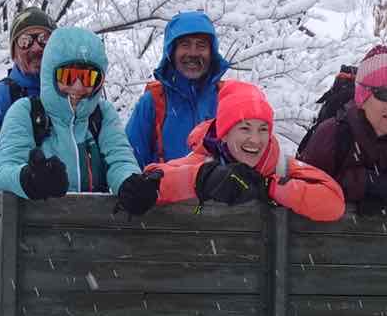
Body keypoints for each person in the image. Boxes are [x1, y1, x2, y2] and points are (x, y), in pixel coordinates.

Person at [115, 81, 343, 221]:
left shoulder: (279, 165)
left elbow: (332, 201)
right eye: (244, 128)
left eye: (263, 129)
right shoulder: (204, 158)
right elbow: (160, 175)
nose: (255, 140)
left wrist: (269, 187)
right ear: (224, 132)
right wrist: (201, 179)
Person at [0, 26, 140, 200]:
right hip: (36, 223)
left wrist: (129, 185)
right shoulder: (26, 112)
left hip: (96, 223)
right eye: (67, 76)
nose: (77, 86)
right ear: (50, 73)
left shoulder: (102, 114)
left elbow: (120, 160)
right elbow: (1, 171)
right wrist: (29, 179)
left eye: (88, 78)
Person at [296, 44, 387, 214]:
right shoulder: (334, 134)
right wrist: (363, 185)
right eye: (384, 94)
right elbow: (302, 189)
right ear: (362, 96)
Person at [127, 10, 232, 167]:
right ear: (172, 51)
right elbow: (130, 161)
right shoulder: (153, 102)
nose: (193, 53)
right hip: (164, 190)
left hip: (220, 190)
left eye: (201, 45)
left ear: (212, 52)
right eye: (185, 45)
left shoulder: (227, 98)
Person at [0, 8, 55, 192]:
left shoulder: (75, 94)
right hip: (12, 215)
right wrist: (29, 178)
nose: (36, 48)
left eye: (44, 39)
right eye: (25, 41)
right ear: (13, 52)